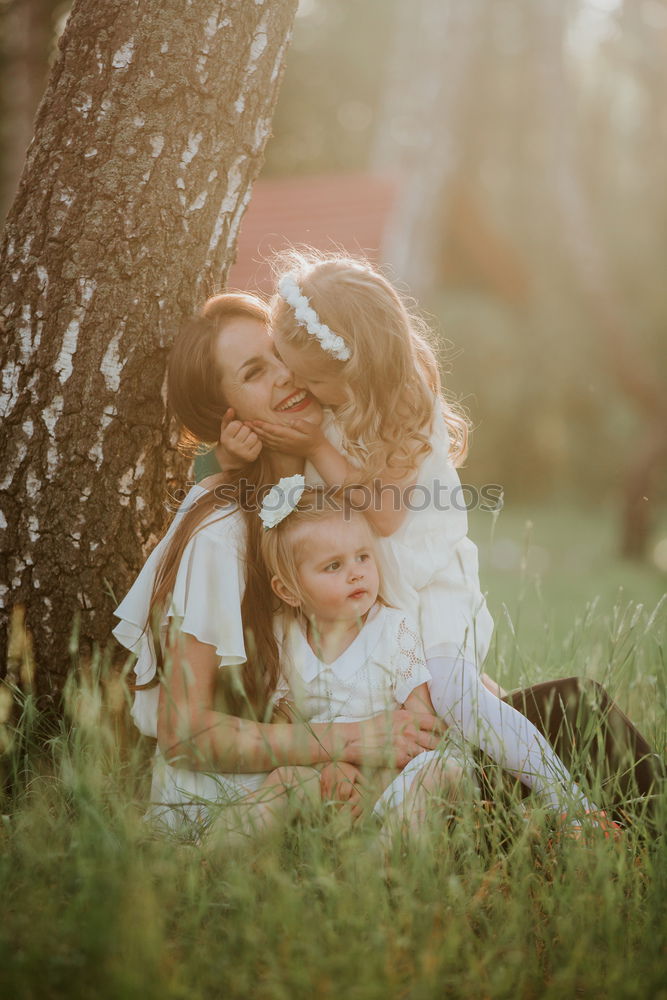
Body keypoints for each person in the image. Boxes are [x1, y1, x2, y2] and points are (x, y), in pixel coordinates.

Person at [243, 250, 659, 826]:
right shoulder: (332, 403)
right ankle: (438, 811)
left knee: (458, 700)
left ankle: (572, 809)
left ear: (359, 368)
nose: (303, 391)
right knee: (404, 710)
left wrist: (316, 445)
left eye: (312, 380)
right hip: (375, 583)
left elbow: (385, 519)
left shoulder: (407, 403)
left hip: (431, 582)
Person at [112, 292, 444, 835]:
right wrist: (354, 738)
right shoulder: (223, 532)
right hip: (233, 797)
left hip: (334, 768)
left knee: (562, 712)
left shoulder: (330, 493)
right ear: (228, 414)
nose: (285, 378)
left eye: (278, 355)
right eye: (253, 372)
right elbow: (184, 732)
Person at [260, 479, 477, 832]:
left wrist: (370, 779)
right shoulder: (284, 637)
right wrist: (333, 765)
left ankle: (381, 862)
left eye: (362, 556)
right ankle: (213, 856)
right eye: (334, 566)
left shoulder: (392, 629)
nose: (356, 572)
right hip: (324, 778)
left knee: (441, 771)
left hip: (393, 775)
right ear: (289, 590)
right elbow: (283, 732)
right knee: (283, 779)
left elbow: (423, 729)